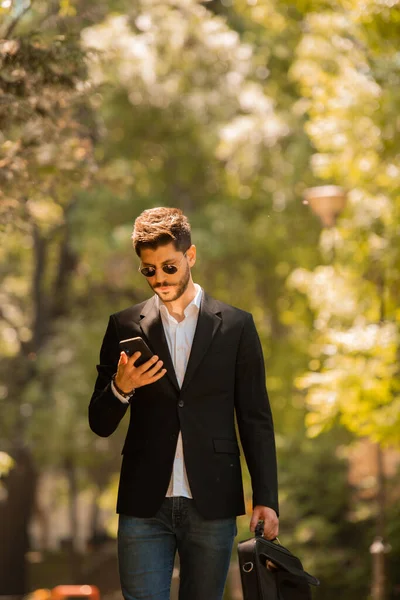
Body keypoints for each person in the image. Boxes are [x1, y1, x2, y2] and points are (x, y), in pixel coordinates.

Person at [89, 207, 279, 600]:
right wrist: (120, 388)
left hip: (212, 501)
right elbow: (99, 421)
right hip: (144, 505)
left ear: (190, 257)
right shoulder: (123, 325)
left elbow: (255, 418)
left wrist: (266, 498)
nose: (159, 278)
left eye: (169, 267)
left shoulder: (237, 326)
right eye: (149, 270)